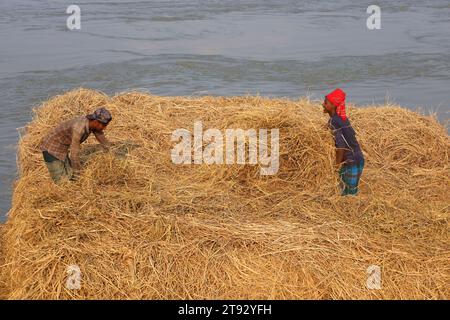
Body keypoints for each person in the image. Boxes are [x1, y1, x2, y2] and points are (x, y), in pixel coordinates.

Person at [40, 107, 112, 183]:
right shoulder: (79, 128)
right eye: (104, 125)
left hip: (63, 148)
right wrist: (78, 174)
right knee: (61, 182)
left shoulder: (93, 125)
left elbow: (102, 139)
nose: (105, 128)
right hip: (51, 148)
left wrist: (110, 154)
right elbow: (74, 154)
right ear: (96, 121)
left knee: (70, 176)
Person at [322, 89, 364, 195]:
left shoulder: (334, 122)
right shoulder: (341, 118)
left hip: (351, 162)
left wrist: (336, 166)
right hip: (358, 158)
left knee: (348, 196)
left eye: (326, 102)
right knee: (350, 191)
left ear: (333, 105)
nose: (323, 104)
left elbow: (341, 146)